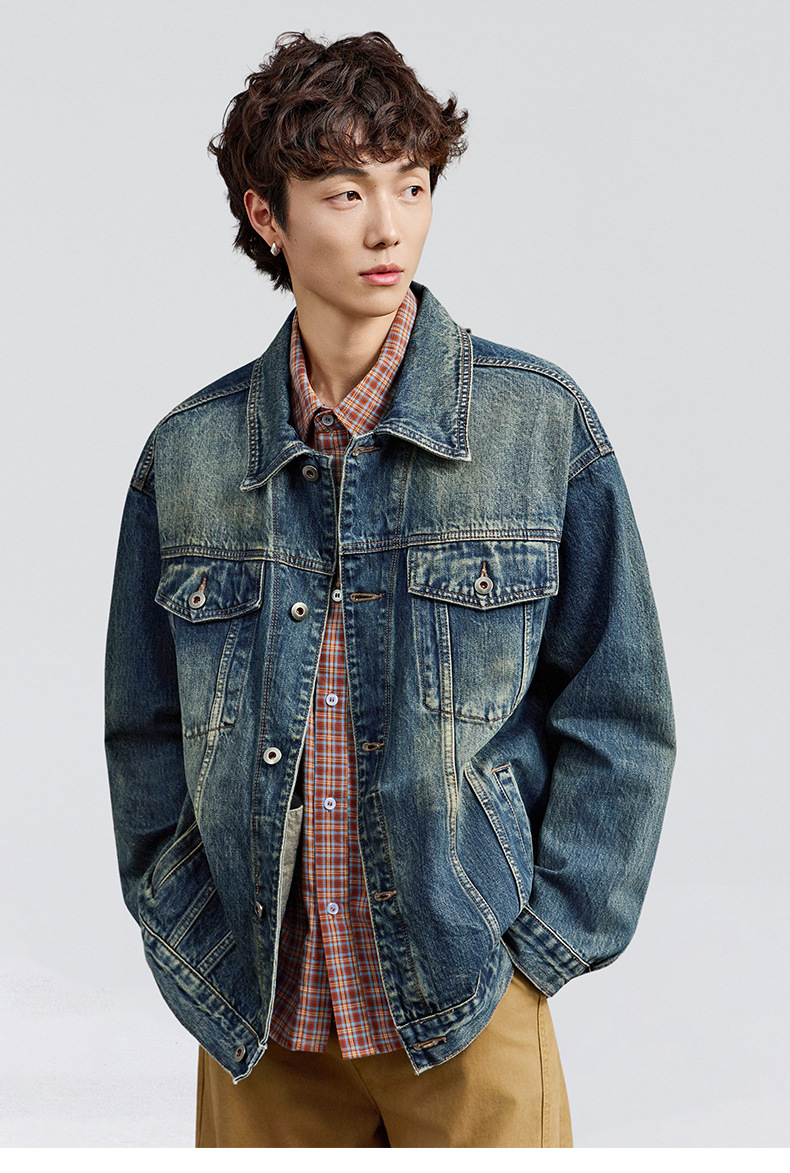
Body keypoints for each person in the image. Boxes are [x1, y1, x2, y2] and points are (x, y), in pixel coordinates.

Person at [104, 30, 676, 1148]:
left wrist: (542, 949)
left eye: (411, 185)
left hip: (468, 1003)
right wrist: (186, 923)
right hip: (259, 1024)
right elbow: (146, 730)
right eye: (345, 192)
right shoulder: (189, 457)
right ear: (268, 216)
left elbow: (622, 712)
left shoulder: (536, 425)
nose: (388, 227)